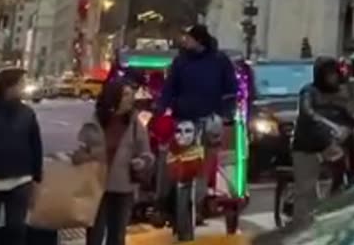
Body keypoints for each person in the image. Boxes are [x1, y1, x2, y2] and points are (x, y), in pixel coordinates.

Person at [156, 25, 238, 224]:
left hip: (209, 119)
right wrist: (161, 108)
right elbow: (170, 87)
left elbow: (230, 89)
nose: (186, 41)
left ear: (199, 40)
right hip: (183, 120)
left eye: (189, 38)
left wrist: (225, 114)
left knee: (206, 164)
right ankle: (163, 204)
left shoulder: (219, 61)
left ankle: (198, 205)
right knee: (171, 160)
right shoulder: (180, 62)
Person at [73, 79, 152, 245]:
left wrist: (141, 162)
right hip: (96, 186)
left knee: (117, 236)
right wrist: (84, 156)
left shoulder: (135, 123)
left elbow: (147, 154)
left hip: (123, 187)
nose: (131, 98)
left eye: (131, 94)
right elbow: (78, 152)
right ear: (114, 97)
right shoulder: (94, 121)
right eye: (126, 94)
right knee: (94, 236)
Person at [0, 69, 43, 245]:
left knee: (16, 229)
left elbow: (35, 146)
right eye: (21, 84)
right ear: (8, 87)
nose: (24, 88)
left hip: (21, 180)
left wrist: (37, 179)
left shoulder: (27, 113)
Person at [290, 57, 354, 225]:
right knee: (306, 190)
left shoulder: (340, 93)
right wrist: (332, 126)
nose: (333, 77)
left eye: (335, 73)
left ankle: (332, 205)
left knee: (342, 171)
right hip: (307, 145)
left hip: (330, 144)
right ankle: (299, 227)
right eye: (329, 74)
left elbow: (350, 114)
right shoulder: (308, 92)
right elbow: (308, 113)